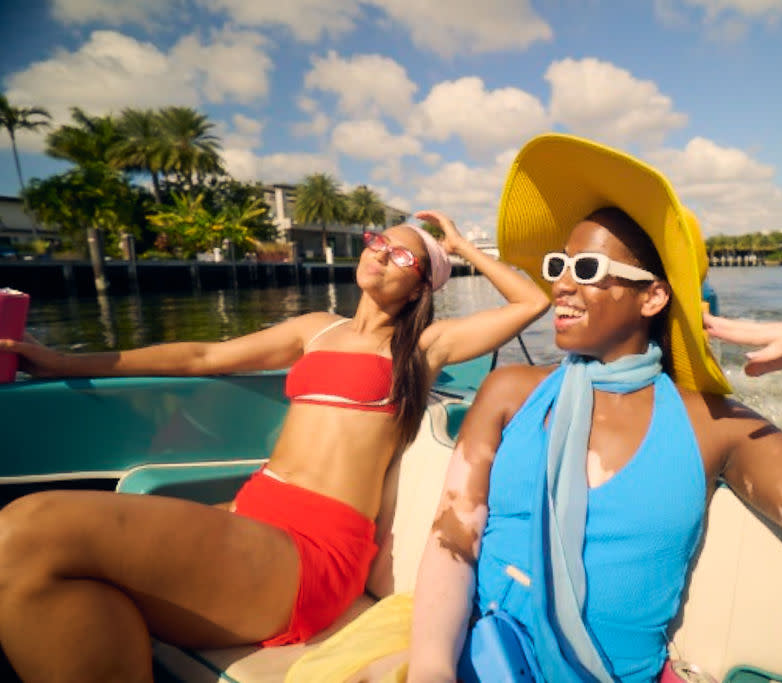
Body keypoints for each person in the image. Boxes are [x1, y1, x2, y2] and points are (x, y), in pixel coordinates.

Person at [302, 134, 782, 683]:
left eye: (586, 267)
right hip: (474, 659)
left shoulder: (710, 424)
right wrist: (435, 671)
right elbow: (452, 543)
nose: (560, 280)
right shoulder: (510, 394)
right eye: (559, 262)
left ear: (651, 298)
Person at [0, 209, 550, 682]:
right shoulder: (317, 328)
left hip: (311, 551)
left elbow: (531, 302)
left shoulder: (423, 348)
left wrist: (457, 247)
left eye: (403, 257)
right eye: (379, 242)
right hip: (254, 513)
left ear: (422, 285)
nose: (382, 255)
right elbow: (203, 358)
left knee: (25, 526)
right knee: (60, 587)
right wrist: (65, 363)